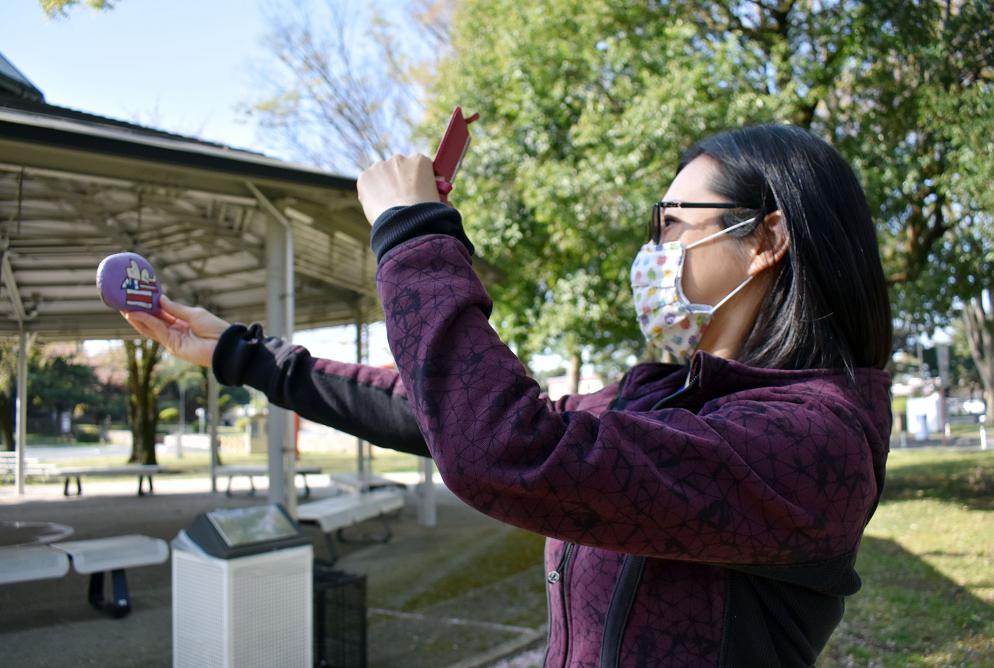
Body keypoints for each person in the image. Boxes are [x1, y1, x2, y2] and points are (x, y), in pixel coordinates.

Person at [123, 124, 892, 667]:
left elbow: (505, 447)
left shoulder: (811, 441)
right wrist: (239, 353)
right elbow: (444, 410)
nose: (653, 251)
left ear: (765, 241)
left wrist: (416, 234)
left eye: (672, 224)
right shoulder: (672, 403)